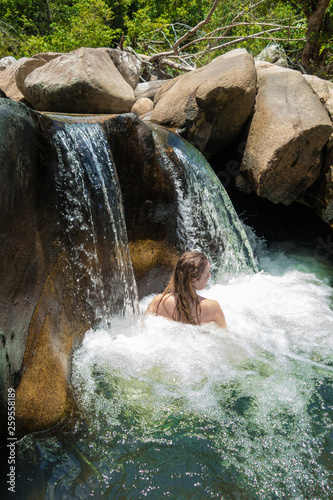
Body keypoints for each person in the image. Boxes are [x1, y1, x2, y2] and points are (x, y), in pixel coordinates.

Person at [145, 251, 226, 328]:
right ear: (194, 281)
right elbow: (224, 337)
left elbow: (143, 329)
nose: (210, 275)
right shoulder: (212, 307)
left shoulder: (158, 302)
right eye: (206, 274)